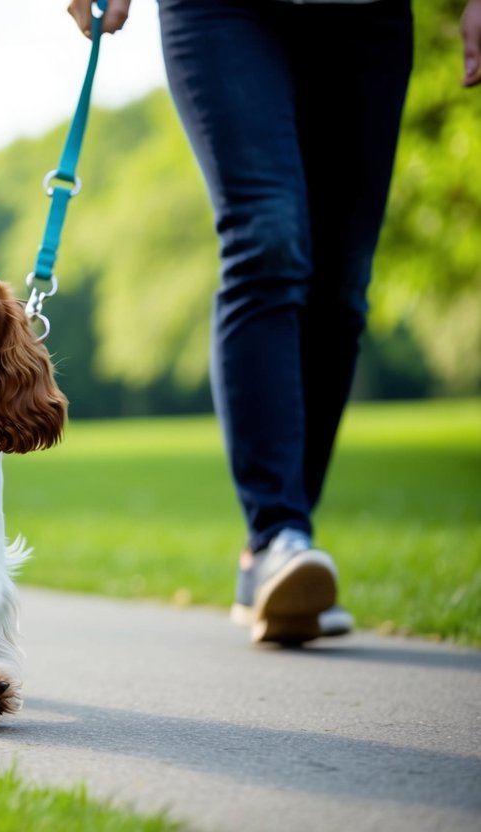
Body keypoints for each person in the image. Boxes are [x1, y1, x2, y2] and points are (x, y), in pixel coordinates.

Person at [67, 0, 481, 644]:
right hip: (223, 11)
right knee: (267, 238)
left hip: (367, 15)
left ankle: (274, 552)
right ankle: (279, 533)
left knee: (341, 286)